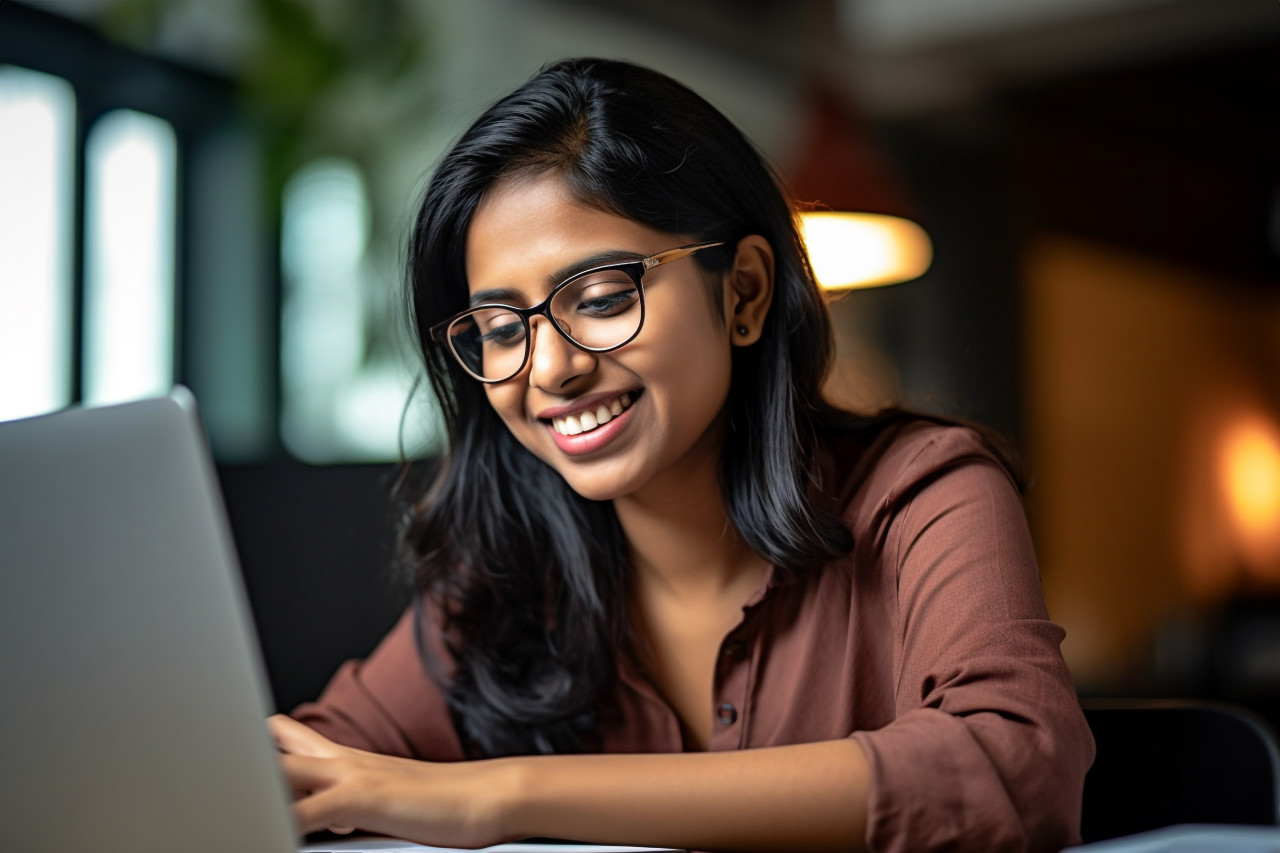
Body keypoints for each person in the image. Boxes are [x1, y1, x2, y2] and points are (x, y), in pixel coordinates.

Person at [269, 57, 1094, 853]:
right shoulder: (507, 570)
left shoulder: (923, 491)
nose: (551, 369)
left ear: (743, 292)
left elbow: (1013, 770)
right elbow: (318, 769)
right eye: (500, 329)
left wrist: (501, 795)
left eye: (599, 299)